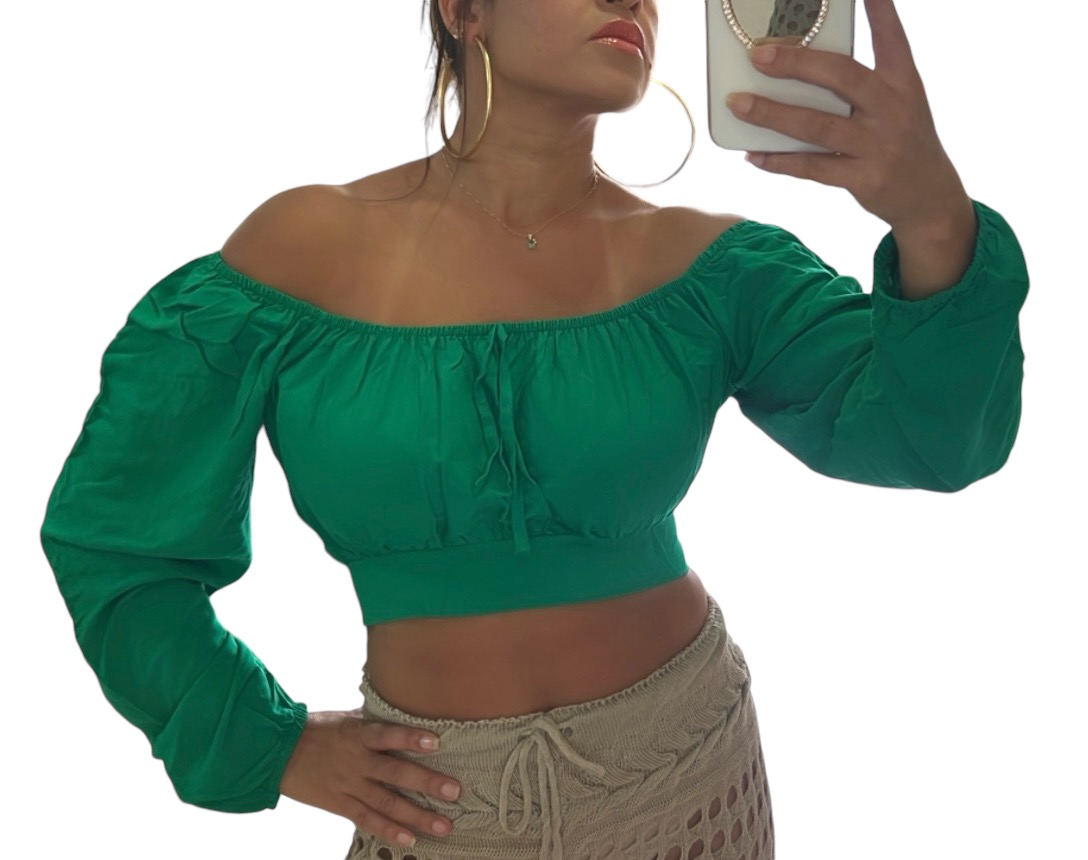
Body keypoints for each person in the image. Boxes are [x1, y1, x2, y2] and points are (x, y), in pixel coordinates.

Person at [39, 0, 1028, 858]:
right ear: (462, 9)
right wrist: (268, 742)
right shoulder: (292, 254)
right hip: (434, 802)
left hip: (687, 773)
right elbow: (117, 544)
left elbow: (931, 438)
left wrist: (931, 218)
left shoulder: (710, 270)